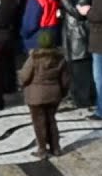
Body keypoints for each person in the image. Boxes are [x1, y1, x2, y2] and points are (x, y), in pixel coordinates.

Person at [18, 30, 69, 159]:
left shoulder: (34, 58)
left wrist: (22, 84)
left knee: (39, 122)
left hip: (36, 97)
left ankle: (42, 149)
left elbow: (24, 76)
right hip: (54, 95)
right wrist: (62, 93)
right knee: (51, 120)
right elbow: (66, 80)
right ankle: (56, 148)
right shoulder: (60, 58)